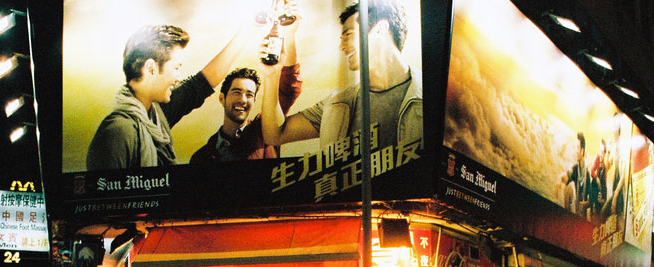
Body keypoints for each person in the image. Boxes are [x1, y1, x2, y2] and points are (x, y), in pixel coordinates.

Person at [86, 20, 263, 170]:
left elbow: (202, 83)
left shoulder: (156, 114)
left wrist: (249, 28)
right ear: (151, 68)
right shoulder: (118, 132)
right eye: (176, 67)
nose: (178, 78)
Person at [261, 1, 422, 155]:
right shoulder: (337, 104)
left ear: (380, 29)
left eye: (349, 34)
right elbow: (275, 134)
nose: (342, 47)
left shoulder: (435, 95)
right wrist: (271, 74)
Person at [190, 3, 303, 164]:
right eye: (237, 92)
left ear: (254, 101)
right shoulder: (201, 157)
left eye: (249, 95)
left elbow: (288, 89)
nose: (243, 99)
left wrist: (290, 34)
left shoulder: (265, 131)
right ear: (222, 98)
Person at [558, 131, 592, 218]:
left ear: (582, 151)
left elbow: (591, 199)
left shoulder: (587, 174)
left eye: (577, 148)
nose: (575, 151)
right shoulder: (576, 168)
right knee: (568, 188)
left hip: (582, 216)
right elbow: (567, 177)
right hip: (575, 210)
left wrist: (585, 204)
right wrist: (559, 181)